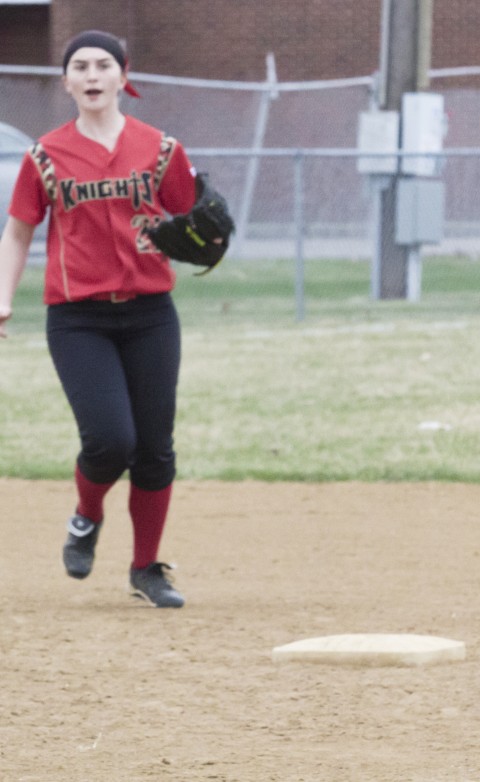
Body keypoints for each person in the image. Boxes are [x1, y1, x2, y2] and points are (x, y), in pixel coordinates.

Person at [0, 30, 222, 608]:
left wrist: (206, 226)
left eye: (104, 64)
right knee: (109, 441)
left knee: (154, 448)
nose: (93, 74)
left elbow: (192, 213)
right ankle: (86, 515)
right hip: (78, 319)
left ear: (124, 77)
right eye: (81, 66)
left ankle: (146, 569)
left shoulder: (161, 148)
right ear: (67, 81)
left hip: (150, 313)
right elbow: (19, 231)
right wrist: (2, 296)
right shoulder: (45, 155)